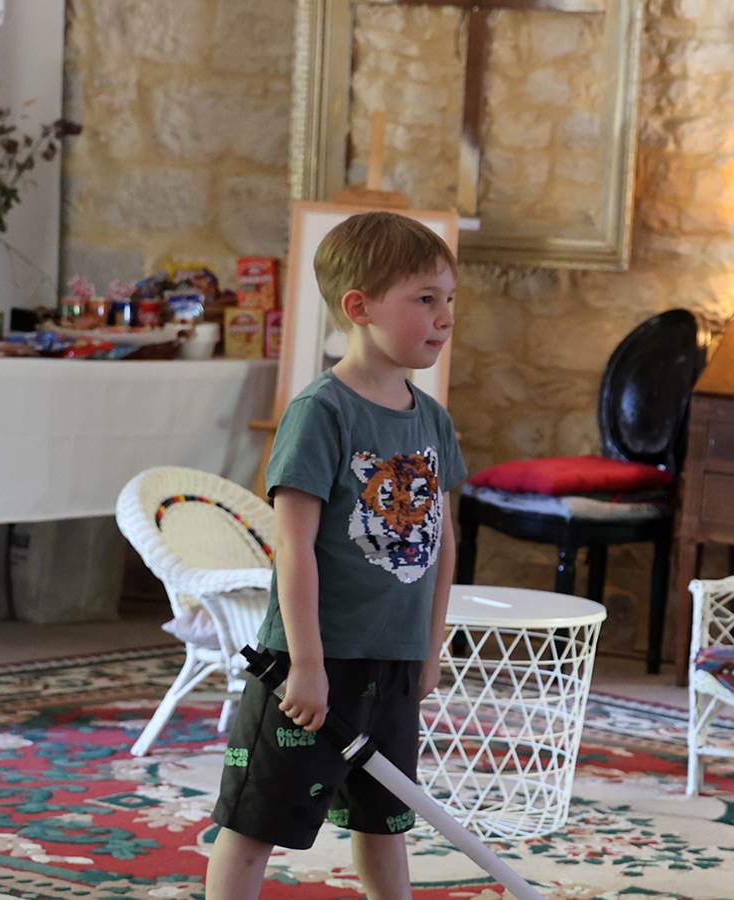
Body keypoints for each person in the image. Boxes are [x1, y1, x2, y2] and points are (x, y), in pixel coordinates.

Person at [205, 211, 465, 900]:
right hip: (308, 664)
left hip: (394, 661)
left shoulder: (432, 418)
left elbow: (444, 543)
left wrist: (429, 648)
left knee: (386, 821)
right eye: (424, 299)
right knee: (256, 818)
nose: (443, 318)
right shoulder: (322, 411)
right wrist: (309, 665)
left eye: (449, 300)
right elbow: (292, 545)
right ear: (359, 307)